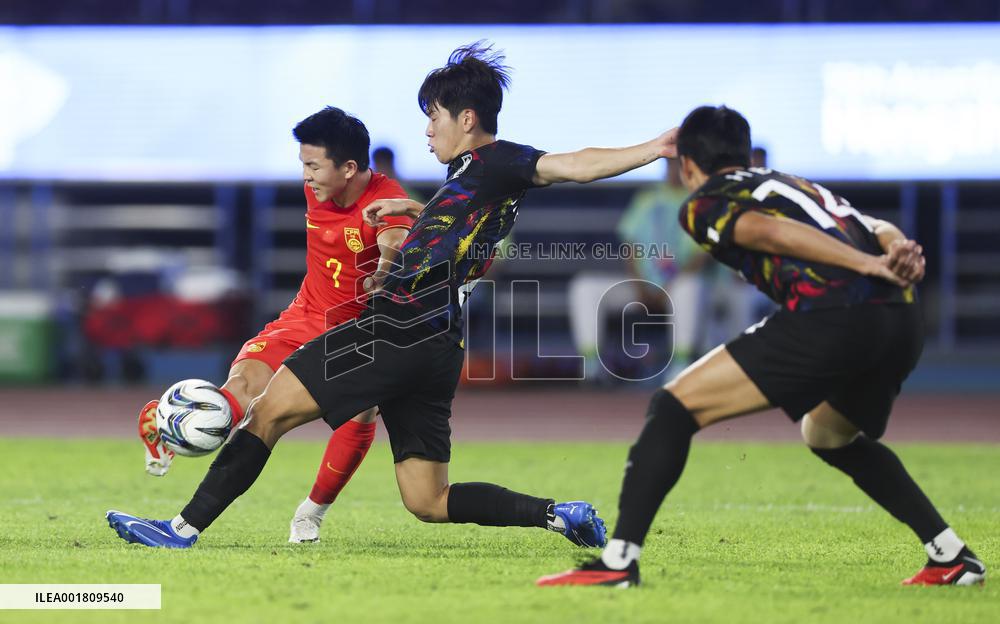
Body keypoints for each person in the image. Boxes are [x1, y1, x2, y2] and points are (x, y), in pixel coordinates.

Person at [105, 42, 675, 550]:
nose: (428, 130)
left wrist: (654, 147)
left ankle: (179, 530)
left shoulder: (499, 160)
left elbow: (572, 166)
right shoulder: (471, 174)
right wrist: (417, 211)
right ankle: (559, 515)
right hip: (437, 344)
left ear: (467, 118)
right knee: (428, 498)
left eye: (434, 116)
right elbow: (463, 232)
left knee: (268, 412)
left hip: (396, 327)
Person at [537, 105, 984, 588]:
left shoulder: (704, 200)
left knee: (672, 408)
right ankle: (951, 556)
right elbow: (875, 225)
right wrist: (897, 249)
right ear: (746, 152)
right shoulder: (793, 183)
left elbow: (765, 231)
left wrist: (866, 264)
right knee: (827, 435)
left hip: (837, 314)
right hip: (901, 319)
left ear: (687, 164)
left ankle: (618, 563)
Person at [138, 106, 413, 543]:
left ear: (349, 168)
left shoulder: (386, 201)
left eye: (313, 166)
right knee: (243, 388)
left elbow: (394, 239)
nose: (306, 176)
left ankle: (310, 514)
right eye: (302, 164)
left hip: (354, 335)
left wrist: (386, 265)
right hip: (304, 315)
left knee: (360, 414)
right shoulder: (320, 188)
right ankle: (171, 429)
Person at [567, 157, 708, 383]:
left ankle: (680, 365)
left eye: (680, 165)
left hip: (676, 287)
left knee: (691, 286)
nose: (674, 170)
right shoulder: (647, 198)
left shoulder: (698, 203)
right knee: (584, 286)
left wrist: (665, 289)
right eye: (670, 164)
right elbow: (630, 245)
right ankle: (592, 365)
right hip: (640, 286)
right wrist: (640, 285)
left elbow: (700, 256)